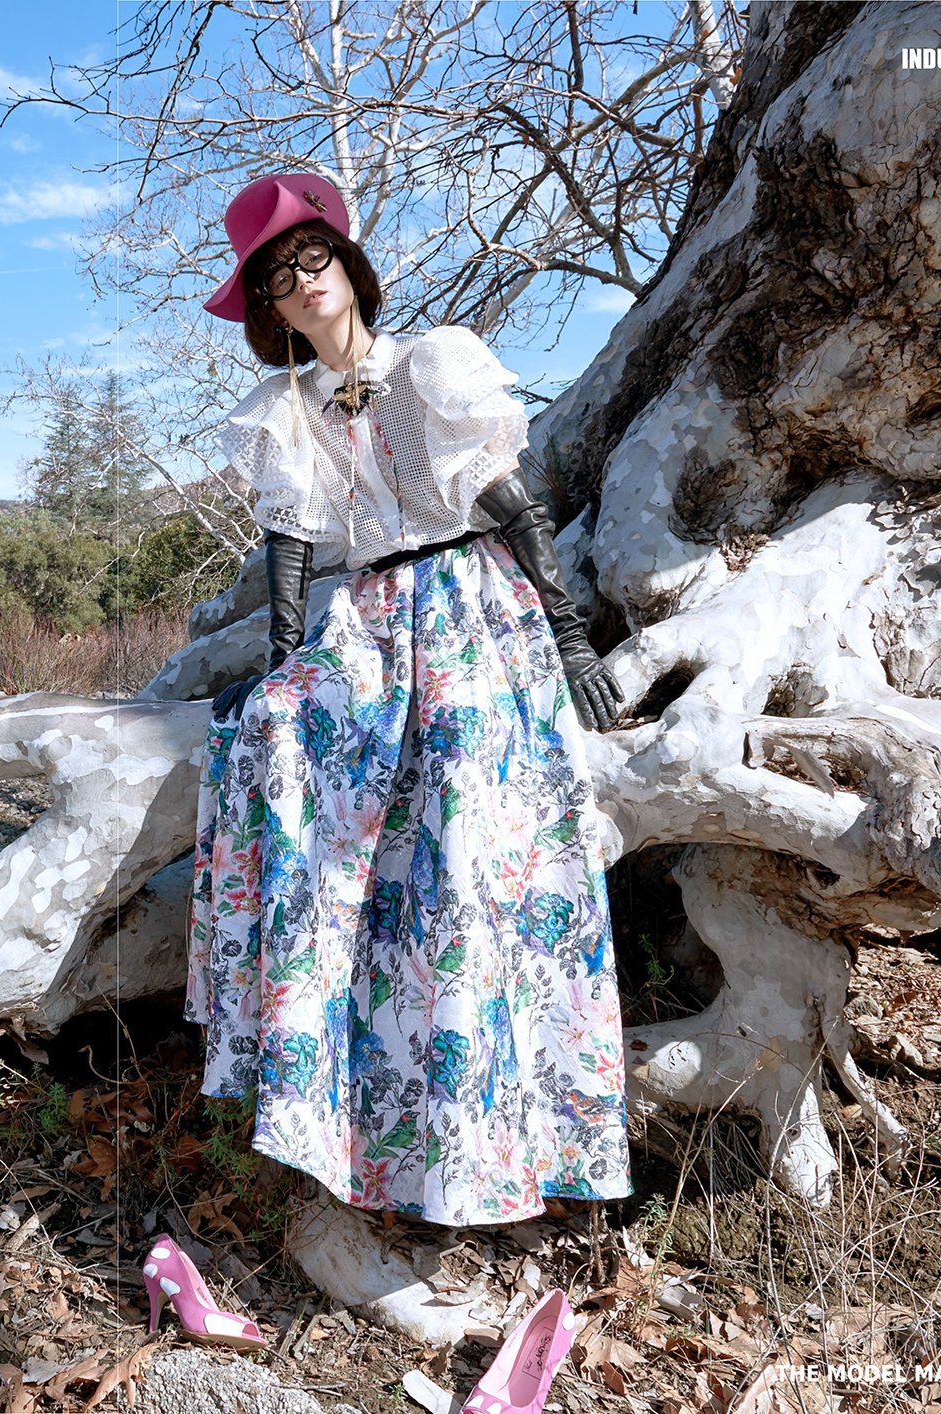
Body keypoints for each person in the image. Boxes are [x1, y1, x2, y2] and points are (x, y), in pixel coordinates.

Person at [182, 172, 633, 1228]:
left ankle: (501, 1128)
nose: (302, 283)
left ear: (346, 265)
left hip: (471, 600)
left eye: (313, 259)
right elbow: (292, 549)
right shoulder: (286, 412)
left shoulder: (427, 365)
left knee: (466, 828)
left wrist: (570, 635)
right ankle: (336, 1084)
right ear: (267, 309)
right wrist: (284, 661)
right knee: (273, 738)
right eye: (276, 277)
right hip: (372, 619)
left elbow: (509, 504)